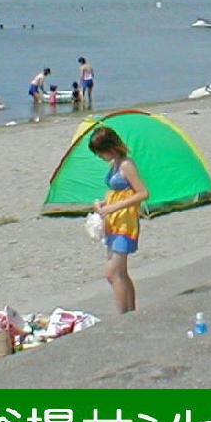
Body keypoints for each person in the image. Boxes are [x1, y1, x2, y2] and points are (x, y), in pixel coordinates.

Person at [89, 126, 147, 314]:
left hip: (125, 223)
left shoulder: (126, 165)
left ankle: (124, 314)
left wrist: (114, 207)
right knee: (120, 272)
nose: (101, 157)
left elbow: (143, 193)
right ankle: (131, 311)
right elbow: (119, 193)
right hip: (113, 222)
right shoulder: (114, 164)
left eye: (101, 153)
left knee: (112, 273)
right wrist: (103, 203)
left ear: (110, 148)